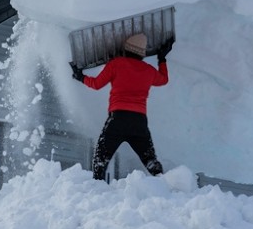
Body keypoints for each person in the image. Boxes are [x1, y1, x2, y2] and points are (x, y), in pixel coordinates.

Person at [69, 32, 174, 181]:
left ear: (125, 49)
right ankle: (163, 181)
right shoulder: (148, 70)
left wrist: (81, 77)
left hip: (118, 119)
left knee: (101, 157)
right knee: (149, 159)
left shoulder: (116, 64)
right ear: (142, 53)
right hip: (139, 122)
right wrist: (162, 58)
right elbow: (164, 79)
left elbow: (96, 84)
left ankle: (97, 185)